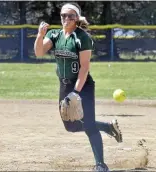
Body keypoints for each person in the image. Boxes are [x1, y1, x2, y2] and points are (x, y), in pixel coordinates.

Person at [34, 2, 123, 172]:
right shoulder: (55, 35)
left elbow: (84, 67)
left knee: (88, 125)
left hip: (83, 86)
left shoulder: (82, 37)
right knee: (71, 126)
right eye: (63, 16)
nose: (66, 19)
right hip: (64, 85)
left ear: (76, 18)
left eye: (70, 16)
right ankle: (107, 127)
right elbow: (39, 52)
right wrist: (40, 35)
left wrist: (76, 92)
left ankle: (100, 165)